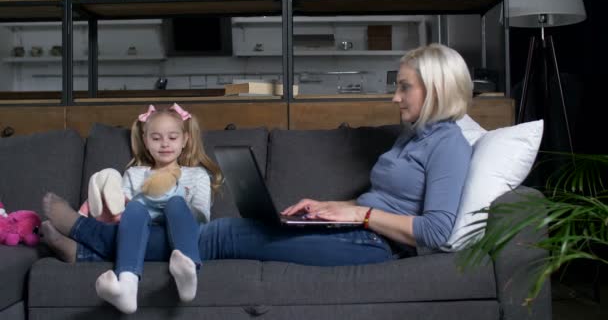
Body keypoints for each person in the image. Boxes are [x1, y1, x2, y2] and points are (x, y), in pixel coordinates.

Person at [42, 43, 473, 305]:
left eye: (404, 86)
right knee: (232, 230)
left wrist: (357, 217)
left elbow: (435, 231)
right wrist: (330, 206)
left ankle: (88, 243)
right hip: (356, 230)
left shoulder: (448, 143)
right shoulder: (414, 136)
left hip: (373, 246)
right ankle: (89, 248)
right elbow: (382, 201)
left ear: (435, 88)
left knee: (224, 235)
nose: (395, 96)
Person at [41, 103, 222, 314]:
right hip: (142, 231)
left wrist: (174, 192)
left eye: (172, 138)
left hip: (182, 235)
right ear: (145, 141)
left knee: (175, 203)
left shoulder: (196, 174)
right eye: (156, 138)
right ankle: (126, 286)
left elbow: (202, 217)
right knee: (135, 209)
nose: (165, 144)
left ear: (184, 141)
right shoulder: (135, 174)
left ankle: (188, 270)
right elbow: (120, 212)